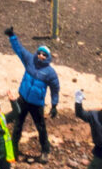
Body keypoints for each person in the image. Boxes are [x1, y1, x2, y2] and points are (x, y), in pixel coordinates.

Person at [3, 27, 60, 159]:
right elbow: (19, 50)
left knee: (41, 128)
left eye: (44, 55)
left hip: (37, 104)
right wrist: (12, 35)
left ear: (48, 58)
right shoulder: (30, 60)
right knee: (17, 125)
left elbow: (55, 89)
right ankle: (13, 149)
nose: (41, 56)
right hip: (22, 100)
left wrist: (54, 105)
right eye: (40, 53)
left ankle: (45, 151)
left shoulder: (50, 73)